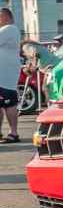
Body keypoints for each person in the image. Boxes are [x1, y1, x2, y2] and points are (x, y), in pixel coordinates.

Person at [0, 8, 21, 144]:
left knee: (9, 104)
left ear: (5, 17)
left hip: (6, 76)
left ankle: (14, 133)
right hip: (3, 75)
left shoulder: (9, 29)